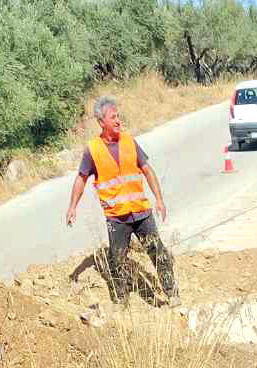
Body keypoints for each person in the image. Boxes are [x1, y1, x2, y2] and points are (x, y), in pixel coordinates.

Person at [65, 96, 180, 307]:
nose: (118, 120)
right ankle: (121, 302)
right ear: (101, 122)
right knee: (117, 261)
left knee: (158, 252)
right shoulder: (93, 150)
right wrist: (72, 207)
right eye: (113, 117)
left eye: (118, 116)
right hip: (117, 218)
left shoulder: (129, 141)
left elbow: (147, 170)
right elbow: (81, 178)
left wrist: (159, 200)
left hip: (141, 212)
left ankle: (172, 294)